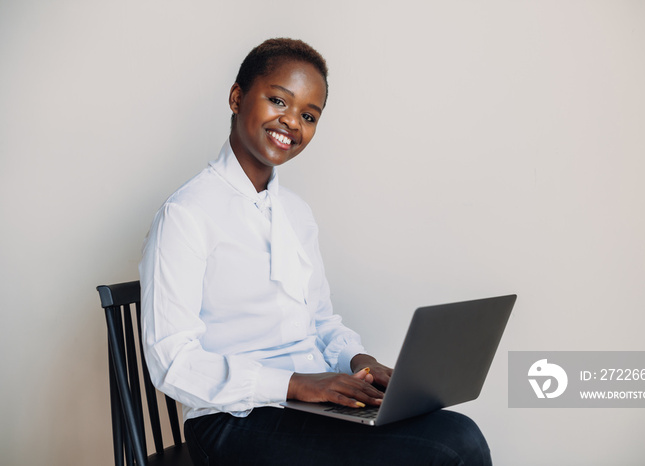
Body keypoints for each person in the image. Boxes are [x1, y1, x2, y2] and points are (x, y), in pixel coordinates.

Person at [139, 38, 492, 465]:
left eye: (308, 115)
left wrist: (360, 362)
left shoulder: (296, 213)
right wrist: (295, 384)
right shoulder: (186, 214)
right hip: (232, 420)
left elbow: (321, 322)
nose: (292, 122)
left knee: (460, 432)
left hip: (307, 403)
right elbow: (172, 362)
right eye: (278, 101)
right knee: (443, 452)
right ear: (237, 97)